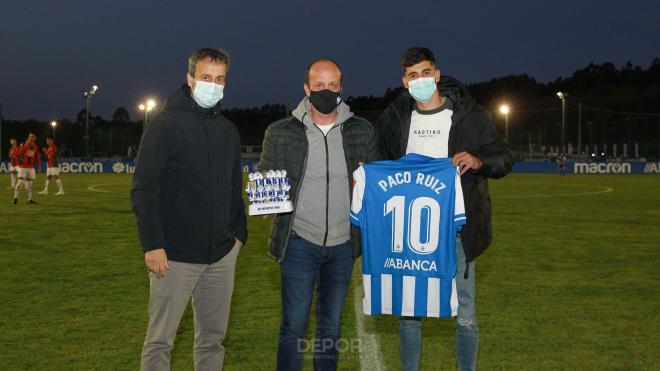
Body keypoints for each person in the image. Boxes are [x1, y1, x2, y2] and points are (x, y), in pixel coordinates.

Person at [376, 47, 513, 371]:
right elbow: (379, 160)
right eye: (412, 75)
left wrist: (479, 161)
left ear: (437, 75)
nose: (420, 80)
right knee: (410, 312)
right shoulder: (396, 119)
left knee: (464, 314)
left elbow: (504, 157)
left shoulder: (469, 115)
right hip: (411, 232)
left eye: (425, 73)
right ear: (404, 81)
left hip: (457, 229)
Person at [257, 58, 379, 371]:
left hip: (343, 244)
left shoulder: (362, 130)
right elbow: (265, 174)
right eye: (319, 85)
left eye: (333, 85)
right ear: (306, 88)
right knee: (293, 327)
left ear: (341, 88)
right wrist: (263, 198)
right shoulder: (281, 131)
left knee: (331, 328)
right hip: (298, 241)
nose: (326, 90)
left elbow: (377, 182)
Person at [131, 48, 247, 371]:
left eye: (220, 79)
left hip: (221, 254)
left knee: (212, 340)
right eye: (207, 77)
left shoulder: (228, 131)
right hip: (174, 255)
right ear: (190, 78)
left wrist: (238, 237)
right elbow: (144, 188)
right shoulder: (165, 124)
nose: (213, 84)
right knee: (160, 342)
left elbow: (234, 189)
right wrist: (152, 243)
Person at [13, 133, 41, 204]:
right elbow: (19, 153)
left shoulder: (35, 146)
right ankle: (16, 198)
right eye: (30, 137)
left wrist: (39, 165)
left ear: (35, 139)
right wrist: (23, 146)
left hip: (31, 168)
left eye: (33, 137)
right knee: (20, 182)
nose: (31, 138)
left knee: (30, 184)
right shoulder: (25, 145)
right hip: (23, 167)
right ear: (28, 138)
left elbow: (37, 156)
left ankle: (30, 199)